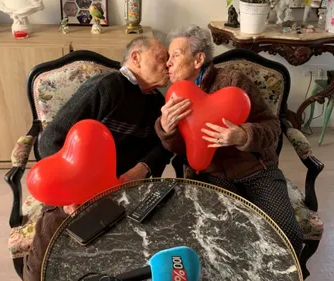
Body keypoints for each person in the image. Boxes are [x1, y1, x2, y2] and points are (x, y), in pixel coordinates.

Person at [22, 36, 173, 281]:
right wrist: (71, 190)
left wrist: (141, 169)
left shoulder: (157, 102)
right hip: (77, 189)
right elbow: (50, 140)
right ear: (136, 57)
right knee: (50, 246)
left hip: (125, 187)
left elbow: (163, 148)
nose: (167, 64)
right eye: (161, 57)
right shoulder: (106, 86)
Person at [154, 25, 303, 257]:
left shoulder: (233, 82)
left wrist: (243, 135)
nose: (168, 63)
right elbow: (182, 149)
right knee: (224, 240)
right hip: (211, 176)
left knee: (287, 237)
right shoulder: (175, 96)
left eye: (175, 55)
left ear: (198, 59)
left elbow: (272, 127)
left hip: (257, 170)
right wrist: (167, 129)